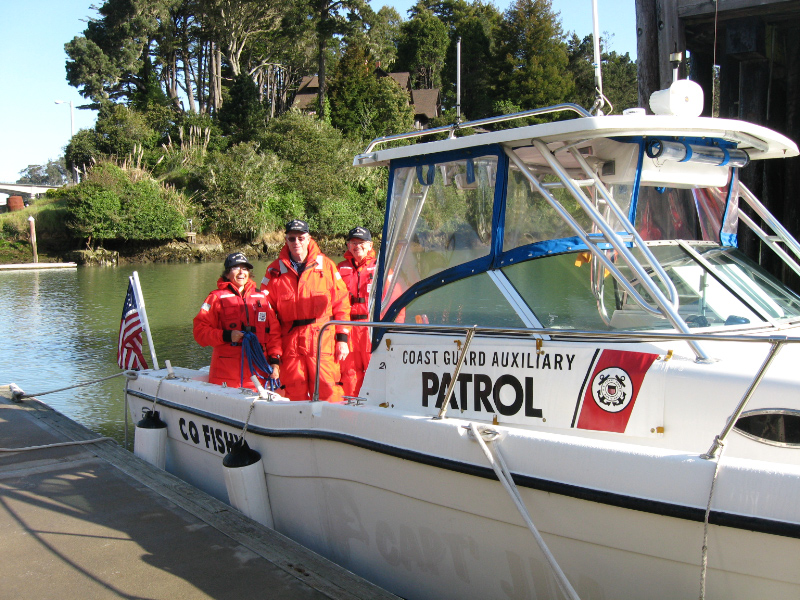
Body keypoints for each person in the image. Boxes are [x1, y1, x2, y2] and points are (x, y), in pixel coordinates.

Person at [261, 220, 350, 401]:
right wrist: (272, 350)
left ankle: (333, 424)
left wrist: (342, 339)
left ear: (309, 239)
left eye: (301, 238)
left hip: (321, 338)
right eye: (292, 238)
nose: (297, 243)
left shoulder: (327, 266)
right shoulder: (274, 270)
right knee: (294, 391)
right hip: (290, 341)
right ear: (286, 240)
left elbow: (342, 304)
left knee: (329, 389)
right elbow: (266, 311)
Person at [193, 252, 281, 390]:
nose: (241, 272)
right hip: (226, 374)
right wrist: (227, 336)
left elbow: (274, 333)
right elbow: (200, 332)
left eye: (245, 268)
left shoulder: (261, 298)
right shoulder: (215, 298)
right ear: (227, 273)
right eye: (236, 268)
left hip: (258, 372)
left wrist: (275, 362)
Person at [337, 227, 377, 397]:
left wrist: (389, 331)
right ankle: (350, 408)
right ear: (348, 245)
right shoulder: (339, 269)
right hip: (347, 326)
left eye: (361, 243)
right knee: (348, 372)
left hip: (370, 327)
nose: (357, 246)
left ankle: (374, 407)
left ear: (370, 245)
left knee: (374, 370)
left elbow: (395, 302)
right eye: (353, 242)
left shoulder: (380, 268)